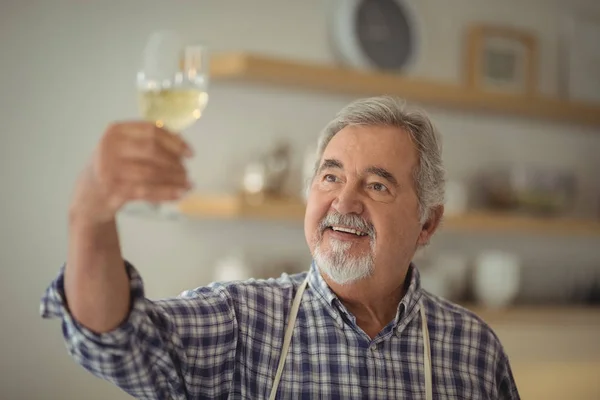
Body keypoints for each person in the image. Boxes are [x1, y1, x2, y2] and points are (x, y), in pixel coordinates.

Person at [40, 96, 520, 399]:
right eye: (330, 176)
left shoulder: (473, 349)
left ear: (426, 223)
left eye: (377, 186)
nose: (343, 202)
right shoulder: (241, 321)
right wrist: (90, 214)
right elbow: (115, 342)